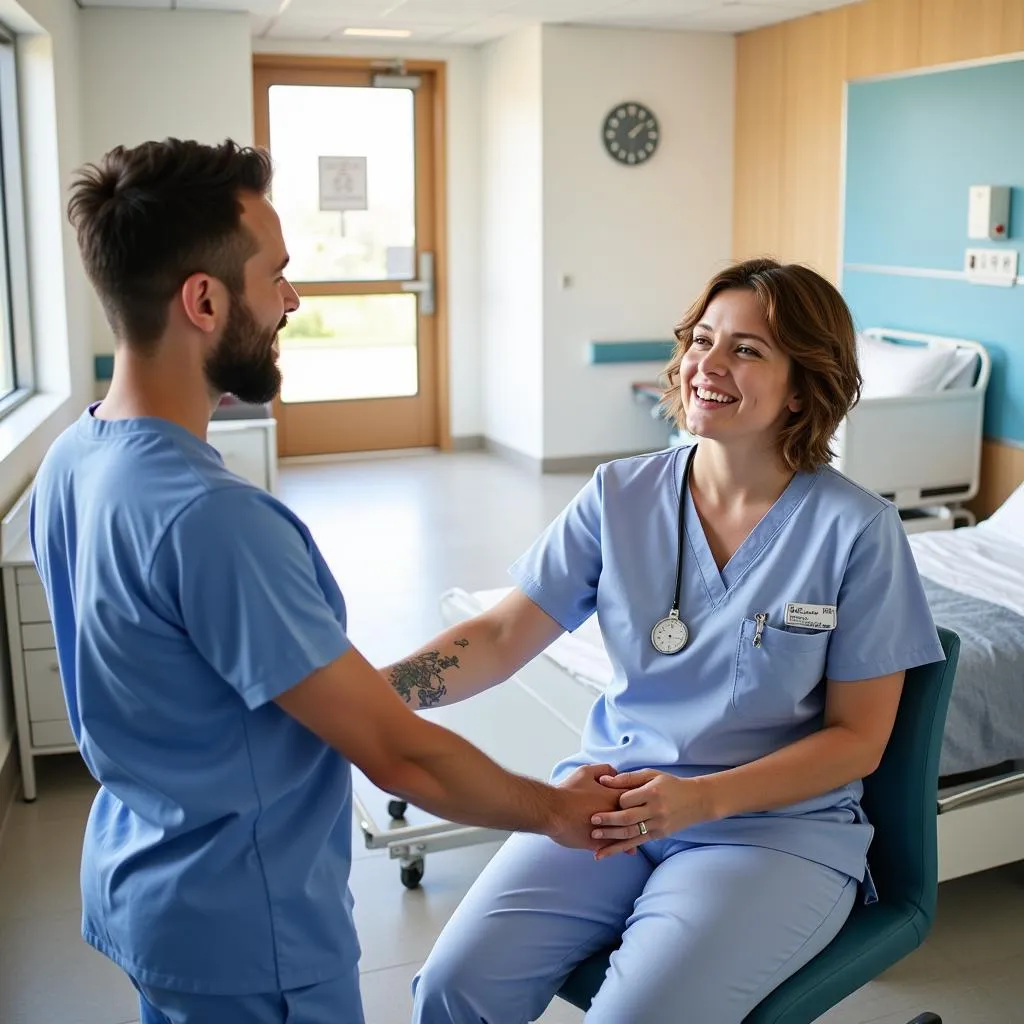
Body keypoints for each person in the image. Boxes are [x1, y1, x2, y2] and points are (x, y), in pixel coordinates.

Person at [28, 137, 622, 1024]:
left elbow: (213, 684)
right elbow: (399, 754)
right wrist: (555, 809)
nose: (291, 299)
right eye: (277, 275)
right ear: (203, 299)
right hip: (249, 929)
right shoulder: (214, 518)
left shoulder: (72, 460)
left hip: (147, 887)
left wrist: (372, 693)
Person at [384, 258, 946, 1023]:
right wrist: (374, 696)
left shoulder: (857, 533)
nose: (706, 366)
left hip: (769, 831)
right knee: (455, 986)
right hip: (609, 800)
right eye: (702, 340)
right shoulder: (620, 495)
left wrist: (701, 799)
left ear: (804, 384)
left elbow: (857, 741)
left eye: (747, 350)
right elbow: (498, 634)